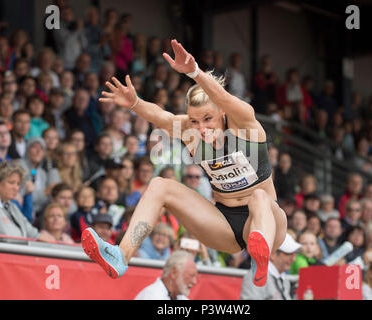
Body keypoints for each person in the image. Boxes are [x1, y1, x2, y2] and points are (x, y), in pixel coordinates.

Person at [82, 39, 287, 287]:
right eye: (194, 121)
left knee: (259, 198)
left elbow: (221, 95)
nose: (201, 128)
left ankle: (260, 257)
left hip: (268, 222)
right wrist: (135, 103)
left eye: (207, 119)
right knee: (159, 185)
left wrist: (194, 72)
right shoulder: (191, 131)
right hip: (225, 226)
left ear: (222, 112)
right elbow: (162, 117)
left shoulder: (245, 124)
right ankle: (121, 255)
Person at [0, 161, 47, 240]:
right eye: (11, 182)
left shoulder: (12, 206)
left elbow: (34, 234)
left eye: (18, 184)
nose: (16, 188)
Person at [240, 233, 301, 300]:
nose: (293, 259)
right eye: (288, 254)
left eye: (294, 254)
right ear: (273, 254)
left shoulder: (283, 279)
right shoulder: (255, 277)